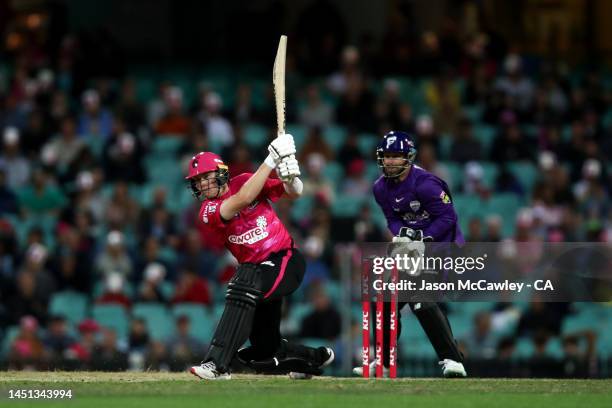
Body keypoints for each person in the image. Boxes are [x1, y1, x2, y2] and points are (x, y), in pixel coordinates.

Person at [186, 134, 334, 380]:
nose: (201, 185)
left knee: (243, 279)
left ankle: (216, 364)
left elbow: (293, 193)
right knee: (262, 352)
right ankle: (311, 359)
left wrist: (291, 178)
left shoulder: (245, 180)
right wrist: (271, 159)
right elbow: (242, 199)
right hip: (257, 273)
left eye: (205, 177)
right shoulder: (207, 210)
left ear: (221, 172)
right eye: (197, 181)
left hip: (285, 261)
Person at [353, 130, 467, 378]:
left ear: (409, 158)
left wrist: (422, 238)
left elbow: (448, 218)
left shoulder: (425, 184)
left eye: (397, 155)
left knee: (420, 297)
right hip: (412, 247)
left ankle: (453, 360)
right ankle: (383, 363)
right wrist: (401, 235)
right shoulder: (380, 188)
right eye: (387, 156)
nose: (391, 161)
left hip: (442, 244)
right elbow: (392, 219)